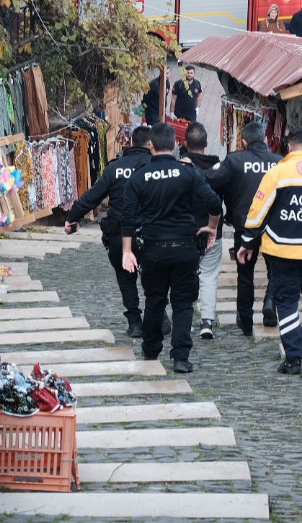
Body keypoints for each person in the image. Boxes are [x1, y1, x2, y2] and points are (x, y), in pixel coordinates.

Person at [238, 125, 302, 375]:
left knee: (286, 301)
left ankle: (294, 358)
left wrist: (248, 241)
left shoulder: (278, 173)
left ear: (289, 146)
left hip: (282, 248)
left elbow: (257, 211)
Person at [121, 123, 223, 373]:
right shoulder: (188, 172)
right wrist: (211, 227)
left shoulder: (139, 175)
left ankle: (151, 349)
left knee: (155, 300)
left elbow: (128, 216)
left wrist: (126, 250)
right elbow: (214, 203)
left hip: (153, 249)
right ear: (176, 145)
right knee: (183, 304)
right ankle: (180, 357)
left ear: (151, 146)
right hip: (184, 248)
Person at [64, 125, 169, 338]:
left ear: (131, 143)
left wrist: (72, 218)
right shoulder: (156, 166)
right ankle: (160, 317)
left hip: (119, 233)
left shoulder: (115, 168)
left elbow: (92, 196)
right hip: (151, 233)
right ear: (151, 144)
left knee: (125, 278)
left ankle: (135, 322)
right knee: (155, 276)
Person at [208, 121, 282, 335]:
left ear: (243, 141)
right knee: (275, 271)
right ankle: (271, 304)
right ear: (266, 140)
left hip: (245, 226)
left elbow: (209, 178)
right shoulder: (279, 162)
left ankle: (246, 320)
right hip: (274, 228)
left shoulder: (234, 160)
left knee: (245, 274)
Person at [179, 122, 223, 340]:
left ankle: (184, 318)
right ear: (207, 143)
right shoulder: (219, 169)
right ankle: (207, 321)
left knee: (184, 275)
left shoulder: (181, 168)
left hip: (186, 229)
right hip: (212, 231)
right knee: (209, 276)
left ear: (186, 143)